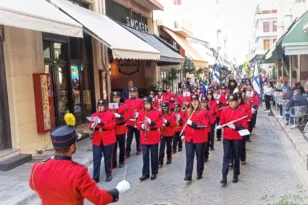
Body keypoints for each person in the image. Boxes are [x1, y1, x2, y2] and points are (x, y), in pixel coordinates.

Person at [29, 113, 130, 204]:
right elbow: (99, 198)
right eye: (76, 142)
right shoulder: (79, 172)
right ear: (72, 147)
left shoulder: (37, 167)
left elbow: (33, 186)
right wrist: (118, 189)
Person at [217, 94, 248, 185]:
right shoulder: (225, 110)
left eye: (233, 101)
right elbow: (221, 122)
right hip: (227, 136)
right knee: (226, 155)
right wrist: (220, 125)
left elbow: (244, 126)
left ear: (237, 101)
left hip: (236, 137)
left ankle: (235, 175)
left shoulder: (241, 112)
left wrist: (235, 127)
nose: (231, 103)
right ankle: (224, 176)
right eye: (229, 101)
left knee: (236, 155)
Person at [182, 94, 209, 181]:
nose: (194, 102)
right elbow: (185, 124)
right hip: (189, 137)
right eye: (192, 101)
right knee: (189, 156)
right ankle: (188, 175)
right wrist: (183, 134)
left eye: (196, 101)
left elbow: (204, 124)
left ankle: (199, 172)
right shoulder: (188, 111)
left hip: (200, 138)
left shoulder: (204, 112)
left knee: (199, 156)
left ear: (199, 102)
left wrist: (193, 124)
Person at [89, 99, 116, 182]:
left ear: (105, 107)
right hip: (97, 138)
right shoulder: (94, 115)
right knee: (96, 158)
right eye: (99, 106)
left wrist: (101, 123)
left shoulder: (111, 115)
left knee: (107, 158)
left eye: (102, 106)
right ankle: (95, 177)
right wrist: (92, 125)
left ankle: (108, 174)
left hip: (108, 138)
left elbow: (112, 126)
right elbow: (90, 126)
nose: (100, 107)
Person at [137, 96, 162, 181]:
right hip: (144, 137)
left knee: (154, 156)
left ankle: (154, 172)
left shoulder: (157, 112)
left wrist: (151, 122)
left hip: (154, 136)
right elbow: (137, 124)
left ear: (151, 104)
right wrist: (142, 126)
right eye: (145, 104)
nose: (146, 106)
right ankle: (145, 174)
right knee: (145, 156)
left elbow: (160, 124)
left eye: (147, 104)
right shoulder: (141, 113)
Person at [111, 91, 128, 169]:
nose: (115, 99)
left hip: (121, 128)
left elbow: (126, 117)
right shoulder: (110, 106)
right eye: (114, 98)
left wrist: (119, 116)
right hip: (113, 129)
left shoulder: (123, 106)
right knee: (113, 147)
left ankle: (122, 161)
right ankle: (113, 162)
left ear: (119, 98)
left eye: (117, 98)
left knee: (122, 146)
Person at [125, 87, 143, 158]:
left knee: (138, 137)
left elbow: (142, 110)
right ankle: (127, 151)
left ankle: (139, 149)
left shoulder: (140, 101)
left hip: (137, 121)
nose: (132, 93)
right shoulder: (126, 101)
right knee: (129, 138)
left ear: (136, 93)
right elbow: (126, 111)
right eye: (131, 92)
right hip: (129, 122)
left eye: (133, 92)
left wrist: (138, 113)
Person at [159, 101, 176, 167]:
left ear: (168, 108)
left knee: (169, 147)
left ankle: (169, 158)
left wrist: (167, 122)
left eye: (165, 108)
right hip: (162, 133)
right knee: (161, 148)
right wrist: (161, 124)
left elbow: (174, 124)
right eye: (163, 107)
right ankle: (160, 161)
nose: (164, 109)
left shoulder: (171, 115)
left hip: (169, 133)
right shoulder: (160, 115)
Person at [237, 93, 252, 165]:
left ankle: (243, 158)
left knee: (242, 145)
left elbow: (249, 116)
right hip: (234, 128)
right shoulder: (232, 107)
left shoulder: (246, 106)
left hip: (243, 127)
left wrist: (243, 115)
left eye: (239, 99)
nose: (238, 101)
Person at [200, 96, 213, 162]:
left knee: (206, 144)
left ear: (207, 103)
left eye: (205, 103)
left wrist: (209, 114)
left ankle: (206, 155)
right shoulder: (198, 110)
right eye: (202, 102)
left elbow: (212, 121)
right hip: (199, 130)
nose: (204, 104)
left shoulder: (210, 111)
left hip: (207, 130)